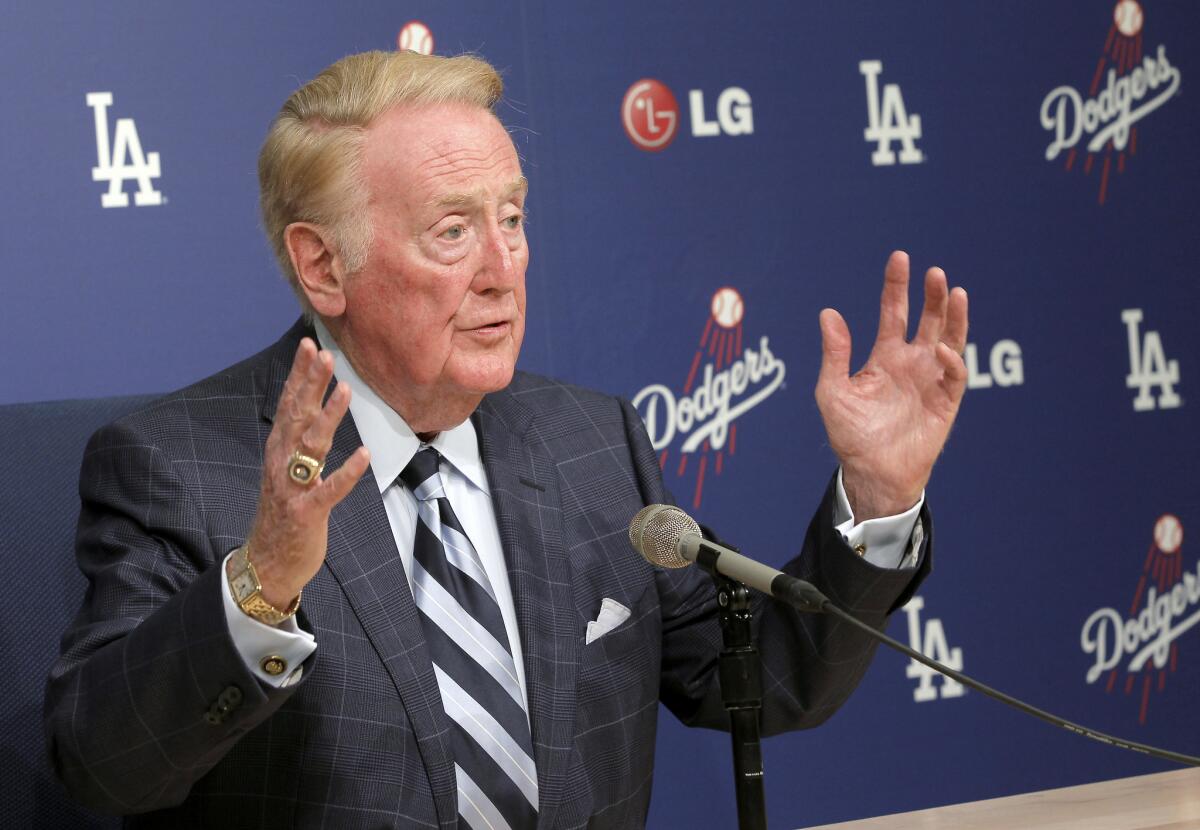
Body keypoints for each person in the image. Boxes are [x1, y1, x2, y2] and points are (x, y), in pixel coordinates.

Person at [45, 50, 968, 829]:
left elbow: (763, 679)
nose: (504, 269)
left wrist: (879, 501)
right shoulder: (183, 467)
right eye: (453, 231)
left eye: (514, 218)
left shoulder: (587, 440)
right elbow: (103, 768)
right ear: (323, 265)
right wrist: (262, 587)